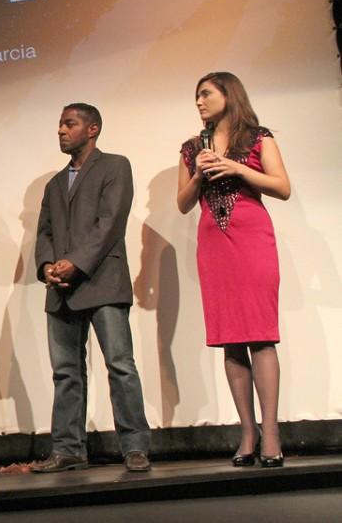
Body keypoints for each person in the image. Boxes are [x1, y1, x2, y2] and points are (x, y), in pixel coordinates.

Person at [177, 72, 290, 468]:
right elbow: (183, 204)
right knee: (230, 340)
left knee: (260, 336)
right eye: (196, 96)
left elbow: (282, 187)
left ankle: (272, 433)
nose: (199, 102)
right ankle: (247, 432)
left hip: (252, 239)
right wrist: (198, 173)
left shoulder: (258, 138)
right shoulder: (193, 147)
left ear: (229, 94)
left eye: (205, 93)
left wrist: (238, 169)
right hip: (213, 245)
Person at [32, 103, 152, 473]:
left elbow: (110, 222)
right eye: (59, 124)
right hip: (62, 289)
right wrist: (48, 265)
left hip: (102, 281)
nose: (61, 130)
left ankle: (133, 446)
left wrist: (76, 263)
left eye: (70, 124)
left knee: (120, 365)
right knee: (66, 372)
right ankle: (68, 448)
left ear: (92, 129)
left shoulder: (115, 166)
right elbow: (45, 232)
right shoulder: (54, 184)